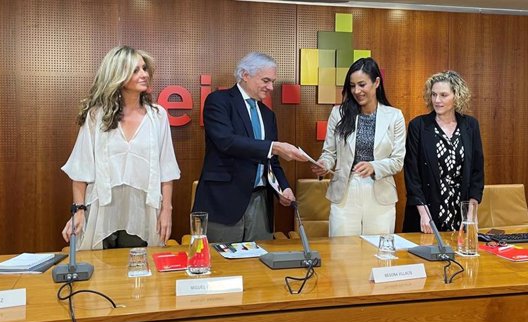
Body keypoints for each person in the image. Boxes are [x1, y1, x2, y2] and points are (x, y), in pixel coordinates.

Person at [61, 45, 181, 249]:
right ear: (118, 75)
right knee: (99, 275)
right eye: (135, 70)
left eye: (144, 68)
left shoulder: (157, 116)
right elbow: (80, 170)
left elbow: (167, 169)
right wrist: (78, 211)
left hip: (142, 211)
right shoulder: (96, 116)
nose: (144, 74)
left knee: (140, 274)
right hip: (102, 211)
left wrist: (166, 209)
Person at [192, 52, 306, 243]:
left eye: (272, 81)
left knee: (260, 265)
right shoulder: (219, 101)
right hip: (224, 202)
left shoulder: (268, 115)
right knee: (223, 265)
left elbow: (272, 159)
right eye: (266, 80)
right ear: (245, 75)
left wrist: (283, 187)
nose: (270, 87)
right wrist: (274, 146)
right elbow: (226, 141)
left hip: (260, 203)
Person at [311, 57, 405, 236]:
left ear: (376, 82)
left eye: (362, 84)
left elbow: (397, 161)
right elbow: (329, 153)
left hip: (380, 194)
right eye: (352, 86)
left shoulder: (394, 116)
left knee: (377, 253)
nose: (357, 91)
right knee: (341, 254)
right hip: (345, 192)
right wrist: (324, 163)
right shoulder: (338, 113)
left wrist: (373, 166)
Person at [403, 70, 484, 233]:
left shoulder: (470, 126)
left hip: (459, 212)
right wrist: (424, 214)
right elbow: (412, 175)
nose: (437, 100)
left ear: (457, 96)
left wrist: (471, 212)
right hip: (426, 213)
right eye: (433, 95)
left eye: (443, 95)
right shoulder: (418, 126)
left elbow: (477, 172)